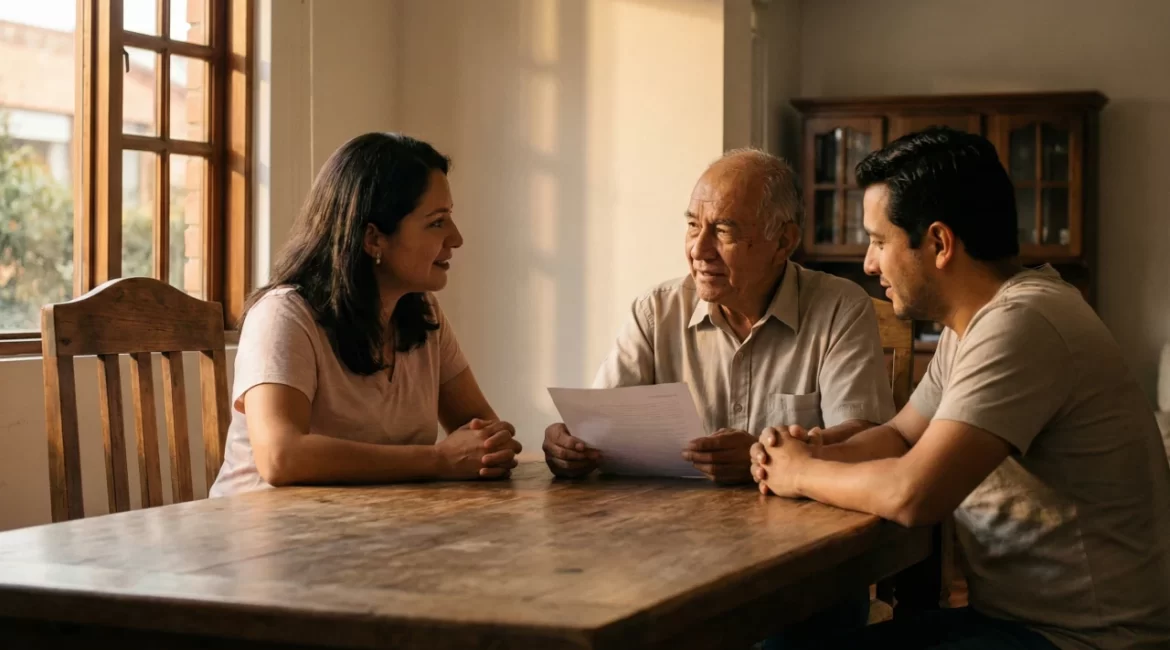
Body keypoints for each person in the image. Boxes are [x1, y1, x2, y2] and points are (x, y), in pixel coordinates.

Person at [751, 127, 1170, 650]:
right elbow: (901, 436)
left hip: (1084, 641)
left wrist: (803, 471)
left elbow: (914, 494)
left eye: (879, 241)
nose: (869, 262)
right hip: (1012, 625)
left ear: (939, 243)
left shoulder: (1024, 322)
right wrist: (815, 448)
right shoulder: (971, 325)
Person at [543, 148, 895, 645]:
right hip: (674, 561)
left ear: (783, 241)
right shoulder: (656, 311)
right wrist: (569, 443)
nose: (699, 249)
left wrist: (761, 454)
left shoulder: (840, 308)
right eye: (692, 226)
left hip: (803, 573)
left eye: (724, 231)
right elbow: (599, 417)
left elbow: (866, 435)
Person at [210, 133, 520, 496]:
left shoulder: (423, 313)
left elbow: (478, 431)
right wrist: (438, 460)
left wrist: (497, 446)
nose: (456, 238)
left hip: (369, 533)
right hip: (259, 537)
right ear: (373, 238)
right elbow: (282, 456)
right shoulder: (284, 316)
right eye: (437, 222)